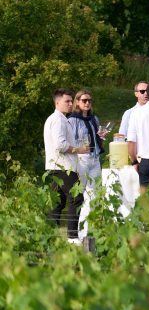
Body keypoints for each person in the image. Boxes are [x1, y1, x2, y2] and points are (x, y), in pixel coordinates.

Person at [44, 88, 87, 243]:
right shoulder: (58, 120)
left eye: (71, 101)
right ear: (57, 102)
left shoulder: (61, 119)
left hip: (56, 167)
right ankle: (73, 237)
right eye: (67, 101)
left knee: (58, 203)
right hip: (63, 167)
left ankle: (49, 238)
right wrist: (79, 149)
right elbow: (60, 145)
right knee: (76, 198)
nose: (70, 104)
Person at [68, 90, 106, 239]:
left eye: (89, 100)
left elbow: (97, 141)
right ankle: (75, 233)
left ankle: (87, 231)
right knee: (79, 196)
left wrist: (101, 137)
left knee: (94, 196)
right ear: (77, 102)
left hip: (94, 159)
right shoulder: (72, 120)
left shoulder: (93, 119)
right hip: (81, 159)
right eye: (84, 100)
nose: (87, 103)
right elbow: (70, 142)